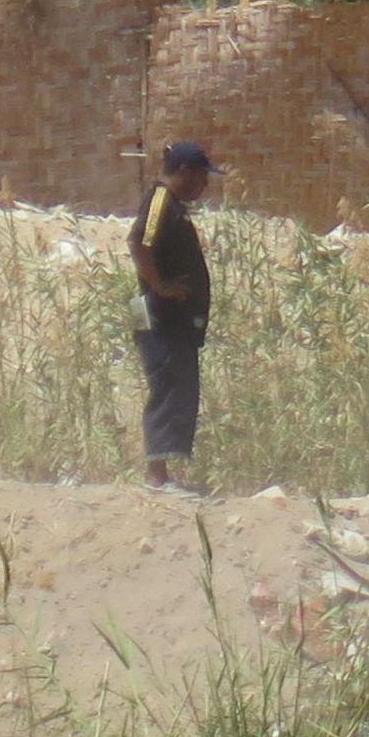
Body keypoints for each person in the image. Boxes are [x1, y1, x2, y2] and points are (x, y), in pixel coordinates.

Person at [130, 142, 216, 490]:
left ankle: (165, 473)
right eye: (201, 177)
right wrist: (162, 286)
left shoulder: (172, 206)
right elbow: (139, 243)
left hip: (173, 320)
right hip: (159, 317)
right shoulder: (161, 202)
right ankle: (156, 476)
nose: (204, 186)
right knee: (166, 386)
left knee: (180, 386)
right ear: (184, 173)